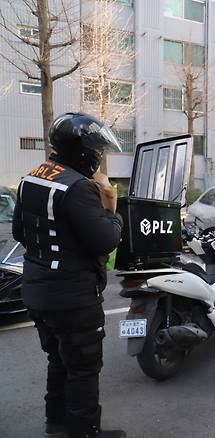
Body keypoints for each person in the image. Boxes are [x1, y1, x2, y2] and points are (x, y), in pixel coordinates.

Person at [12, 113, 126, 438]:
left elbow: (20, 231)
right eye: (98, 148)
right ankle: (84, 432)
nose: (100, 155)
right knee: (84, 368)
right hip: (73, 298)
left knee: (58, 360)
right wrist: (111, 208)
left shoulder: (32, 177)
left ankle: (56, 424)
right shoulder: (79, 188)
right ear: (83, 148)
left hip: (36, 289)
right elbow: (107, 239)